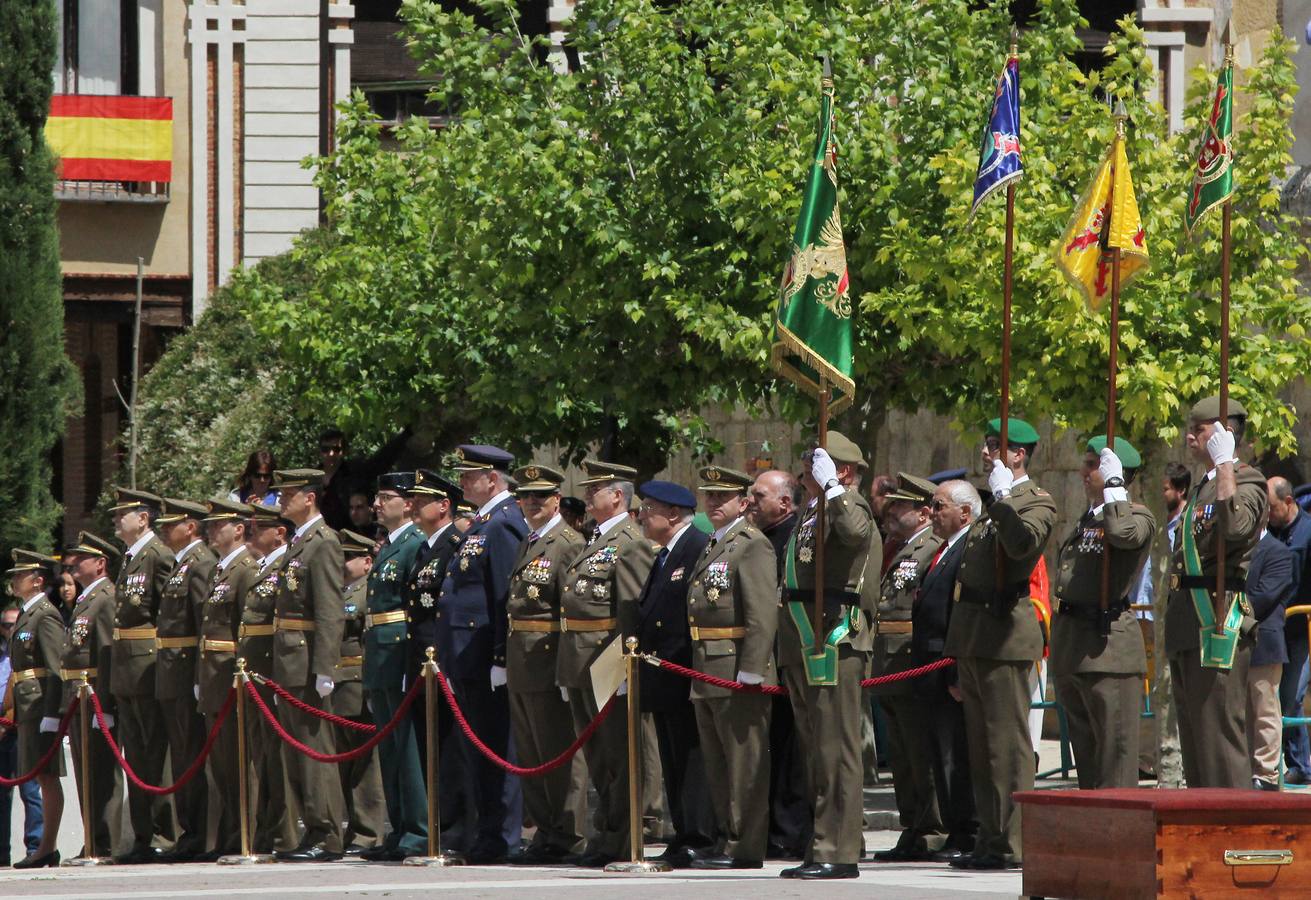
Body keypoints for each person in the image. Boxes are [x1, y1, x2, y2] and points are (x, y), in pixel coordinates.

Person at [944, 417, 1056, 870]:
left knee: (1007, 746)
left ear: (1019, 455)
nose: (987, 452)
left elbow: (1021, 547)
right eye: (988, 444)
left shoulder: (1036, 501)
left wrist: (1006, 498)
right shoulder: (995, 500)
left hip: (1007, 633)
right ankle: (990, 839)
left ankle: (1013, 843)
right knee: (981, 746)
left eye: (996, 446)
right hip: (976, 634)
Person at [779, 432, 880, 881]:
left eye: (816, 464)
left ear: (841, 470)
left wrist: (837, 491)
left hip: (836, 638)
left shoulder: (850, 504)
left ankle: (837, 850)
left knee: (836, 748)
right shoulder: (814, 508)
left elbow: (855, 534)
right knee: (816, 748)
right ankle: (826, 839)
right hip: (807, 633)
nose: (806, 470)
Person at [1164, 396, 1268, 789]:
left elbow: (1236, 528)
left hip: (1218, 619)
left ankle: (1234, 833)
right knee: (1195, 740)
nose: (1190, 436)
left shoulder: (1247, 479)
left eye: (1201, 428)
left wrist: (1226, 464)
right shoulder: (1201, 489)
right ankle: (1203, 831)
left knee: (1220, 741)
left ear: (1225, 434)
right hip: (1188, 622)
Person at [557, 459, 656, 867]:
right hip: (579, 657)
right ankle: (607, 830)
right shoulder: (594, 537)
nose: (586, 495)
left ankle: (620, 835)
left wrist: (624, 667)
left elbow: (629, 611)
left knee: (617, 753)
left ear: (617, 496)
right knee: (596, 754)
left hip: (606, 659)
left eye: (595, 489)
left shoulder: (630, 541)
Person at [683, 465, 777, 870]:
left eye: (723, 497)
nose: (714, 503)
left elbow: (760, 614)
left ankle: (746, 845)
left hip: (736, 668)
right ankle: (726, 837)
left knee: (744, 764)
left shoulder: (751, 544)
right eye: (709, 496)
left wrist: (753, 668)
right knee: (718, 764)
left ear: (744, 502)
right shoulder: (714, 543)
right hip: (706, 667)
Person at [1049, 437, 1155, 790]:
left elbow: (1123, 534)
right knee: (1089, 761)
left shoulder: (1136, 516)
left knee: (1115, 759)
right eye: (1087, 463)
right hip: (1075, 646)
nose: (1084, 471)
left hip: (1107, 648)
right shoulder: (1085, 520)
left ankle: (1121, 841)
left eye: (1094, 465)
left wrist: (1114, 488)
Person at [441, 445, 528, 863]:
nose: (461, 482)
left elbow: (503, 594)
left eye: (468, 475)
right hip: (466, 652)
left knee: (497, 746)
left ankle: (503, 837)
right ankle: (486, 832)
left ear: (492, 480)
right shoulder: (484, 522)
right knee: (479, 747)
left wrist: (500, 656)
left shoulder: (504, 524)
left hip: (484, 652)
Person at [505, 463, 589, 865]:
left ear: (557, 499)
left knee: (558, 750)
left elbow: (568, 608)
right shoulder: (529, 540)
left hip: (548, 655)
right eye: (525, 496)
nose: (532, 502)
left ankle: (569, 833)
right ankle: (546, 830)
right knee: (532, 753)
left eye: (540, 496)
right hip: (522, 655)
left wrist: (564, 667)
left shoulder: (567, 542)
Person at [633, 478, 713, 868]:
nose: (643, 515)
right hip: (662, 673)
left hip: (682, 670)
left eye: (650, 509)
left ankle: (699, 834)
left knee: (691, 758)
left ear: (675, 514)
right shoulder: (665, 553)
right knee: (673, 758)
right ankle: (684, 832)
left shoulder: (696, 548)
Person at [270, 468, 348, 861]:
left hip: (305, 659)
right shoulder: (300, 542)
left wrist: (324, 668)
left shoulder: (323, 542)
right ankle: (312, 827)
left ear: (310, 498)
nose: (282, 500)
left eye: (289, 494)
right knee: (296, 752)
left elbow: (331, 610)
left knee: (315, 751)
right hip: (288, 659)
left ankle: (328, 833)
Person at [870, 473, 947, 862]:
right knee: (901, 756)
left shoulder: (931, 548)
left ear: (922, 513)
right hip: (889, 664)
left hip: (911, 665)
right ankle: (913, 825)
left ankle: (931, 829)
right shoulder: (898, 549)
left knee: (920, 754)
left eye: (899, 506)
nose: (890, 512)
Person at [360, 472, 428, 862]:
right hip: (381, 651)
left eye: (386, 497)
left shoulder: (414, 545)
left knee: (406, 746)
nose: (377, 504)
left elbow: (410, 608)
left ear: (408, 504)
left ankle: (417, 831)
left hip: (399, 648)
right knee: (388, 746)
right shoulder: (390, 545)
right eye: (378, 497)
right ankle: (399, 826)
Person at [107, 487, 178, 864]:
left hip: (148, 663)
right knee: (135, 754)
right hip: (126, 666)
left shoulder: (158, 556)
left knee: (155, 750)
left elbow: (168, 614)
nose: (117, 520)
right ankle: (141, 835)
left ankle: (164, 835)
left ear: (143, 519)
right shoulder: (130, 557)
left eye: (123, 514)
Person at [402, 469, 468, 846]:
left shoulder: (455, 544)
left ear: (444, 506)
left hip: (443, 660)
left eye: (423, 499)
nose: (414, 505)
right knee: (431, 744)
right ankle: (438, 825)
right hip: (423, 661)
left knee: (450, 746)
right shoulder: (425, 548)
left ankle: (456, 827)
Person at [915, 480, 980, 859]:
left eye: (939, 506)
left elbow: (960, 613)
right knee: (940, 756)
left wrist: (956, 671)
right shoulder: (943, 550)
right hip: (928, 666)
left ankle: (965, 832)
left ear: (964, 513)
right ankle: (956, 831)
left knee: (956, 756)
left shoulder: (968, 549)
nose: (932, 512)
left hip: (947, 665)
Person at [748, 469, 810, 859]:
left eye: (759, 496)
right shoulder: (760, 538)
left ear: (784, 503)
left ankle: (788, 831)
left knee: (790, 749)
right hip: (768, 656)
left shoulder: (791, 538)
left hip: (786, 655)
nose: (750, 501)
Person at [195, 498, 261, 859]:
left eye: (219, 524)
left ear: (238, 529)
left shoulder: (245, 569)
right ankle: (229, 834)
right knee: (220, 764)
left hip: (232, 676)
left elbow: (243, 628)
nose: (211, 530)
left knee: (240, 761)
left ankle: (246, 833)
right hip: (213, 677)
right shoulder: (219, 570)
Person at [154, 498, 219, 861]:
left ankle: (201, 835)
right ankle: (189, 832)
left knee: (192, 753)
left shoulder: (200, 564)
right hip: (171, 670)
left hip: (186, 669)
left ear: (191, 527)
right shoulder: (182, 564)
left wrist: (198, 675)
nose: (165, 529)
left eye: (172, 523)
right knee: (181, 755)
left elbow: (203, 626)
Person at [241, 501, 299, 855]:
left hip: (272, 672)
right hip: (254, 672)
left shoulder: (284, 565)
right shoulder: (258, 567)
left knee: (279, 760)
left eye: (259, 526)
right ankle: (264, 832)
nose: (251, 531)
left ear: (279, 533)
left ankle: (286, 835)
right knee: (261, 757)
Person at [5, 550, 66, 868]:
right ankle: (44, 847)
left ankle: (46, 846)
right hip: (28, 705)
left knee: (46, 776)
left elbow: (56, 669)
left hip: (41, 705)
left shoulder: (45, 614)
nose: (15, 580)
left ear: (38, 580)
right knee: (38, 776)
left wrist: (54, 714)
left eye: (20, 575)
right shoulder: (28, 614)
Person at [335, 529, 386, 852]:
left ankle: (367, 832)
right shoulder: (342, 591)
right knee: (343, 761)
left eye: (348, 557)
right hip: (339, 683)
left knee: (365, 765)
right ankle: (351, 828)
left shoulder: (368, 592)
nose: (342, 563)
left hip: (358, 680)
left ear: (367, 562)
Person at [1245, 518, 1297, 790]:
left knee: (1264, 709)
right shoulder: (1236, 550)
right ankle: (1245, 769)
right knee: (1241, 711)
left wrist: (1230, 612)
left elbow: (1264, 596)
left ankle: (1264, 773)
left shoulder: (1278, 552)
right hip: (1235, 643)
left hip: (1263, 641)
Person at [1267, 475, 1311, 784]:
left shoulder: (1308, 532)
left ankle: (1301, 766)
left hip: (1302, 628)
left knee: (1293, 696)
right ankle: (1290, 763)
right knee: (1276, 698)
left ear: (1288, 502)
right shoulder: (1271, 533)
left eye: (1271, 508)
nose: (1267, 515)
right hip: (1277, 629)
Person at [0, 602, 43, 866]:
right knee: (2, 795)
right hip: (1, 729)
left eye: (15, 624)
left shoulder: (27, 656)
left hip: (22, 725)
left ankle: (36, 848)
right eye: (5, 625)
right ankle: (2, 853)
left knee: (31, 791)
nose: (10, 629)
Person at [316, 428, 412, 531]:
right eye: (325, 449)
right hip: (319, 536)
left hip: (350, 536)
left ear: (344, 451)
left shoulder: (354, 472)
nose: (331, 454)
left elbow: (383, 459)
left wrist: (406, 434)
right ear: (319, 451)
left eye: (336, 449)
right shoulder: (312, 478)